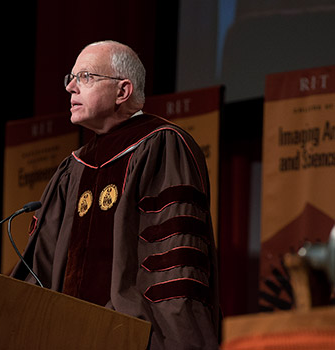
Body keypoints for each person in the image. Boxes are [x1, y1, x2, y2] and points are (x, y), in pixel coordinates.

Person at [12, 40, 220, 349]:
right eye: (70, 78)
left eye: (85, 76)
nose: (71, 87)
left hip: (135, 339)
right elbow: (39, 271)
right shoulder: (72, 170)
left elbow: (172, 268)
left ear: (123, 91)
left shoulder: (162, 146)